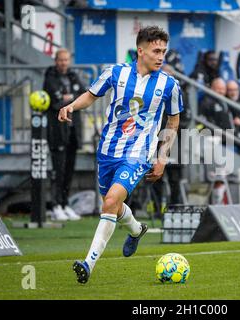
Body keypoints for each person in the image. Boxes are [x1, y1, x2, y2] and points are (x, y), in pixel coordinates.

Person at [58, 26, 183, 284]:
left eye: (164, 51)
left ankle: (88, 264)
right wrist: (71, 105)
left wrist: (162, 158)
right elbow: (90, 96)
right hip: (107, 152)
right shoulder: (116, 73)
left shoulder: (169, 85)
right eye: (156, 51)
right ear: (141, 50)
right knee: (111, 206)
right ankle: (137, 230)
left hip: (139, 154)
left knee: (111, 200)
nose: (161, 57)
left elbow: (173, 123)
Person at [43, 49, 84, 222]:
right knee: (58, 170)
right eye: (61, 60)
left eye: (66, 60)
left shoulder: (74, 76)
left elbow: (83, 94)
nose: (63, 63)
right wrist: (71, 98)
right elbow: (56, 100)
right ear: (56, 60)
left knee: (69, 171)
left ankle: (65, 204)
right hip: (57, 131)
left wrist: (70, 97)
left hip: (73, 131)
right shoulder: (50, 76)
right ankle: (55, 205)